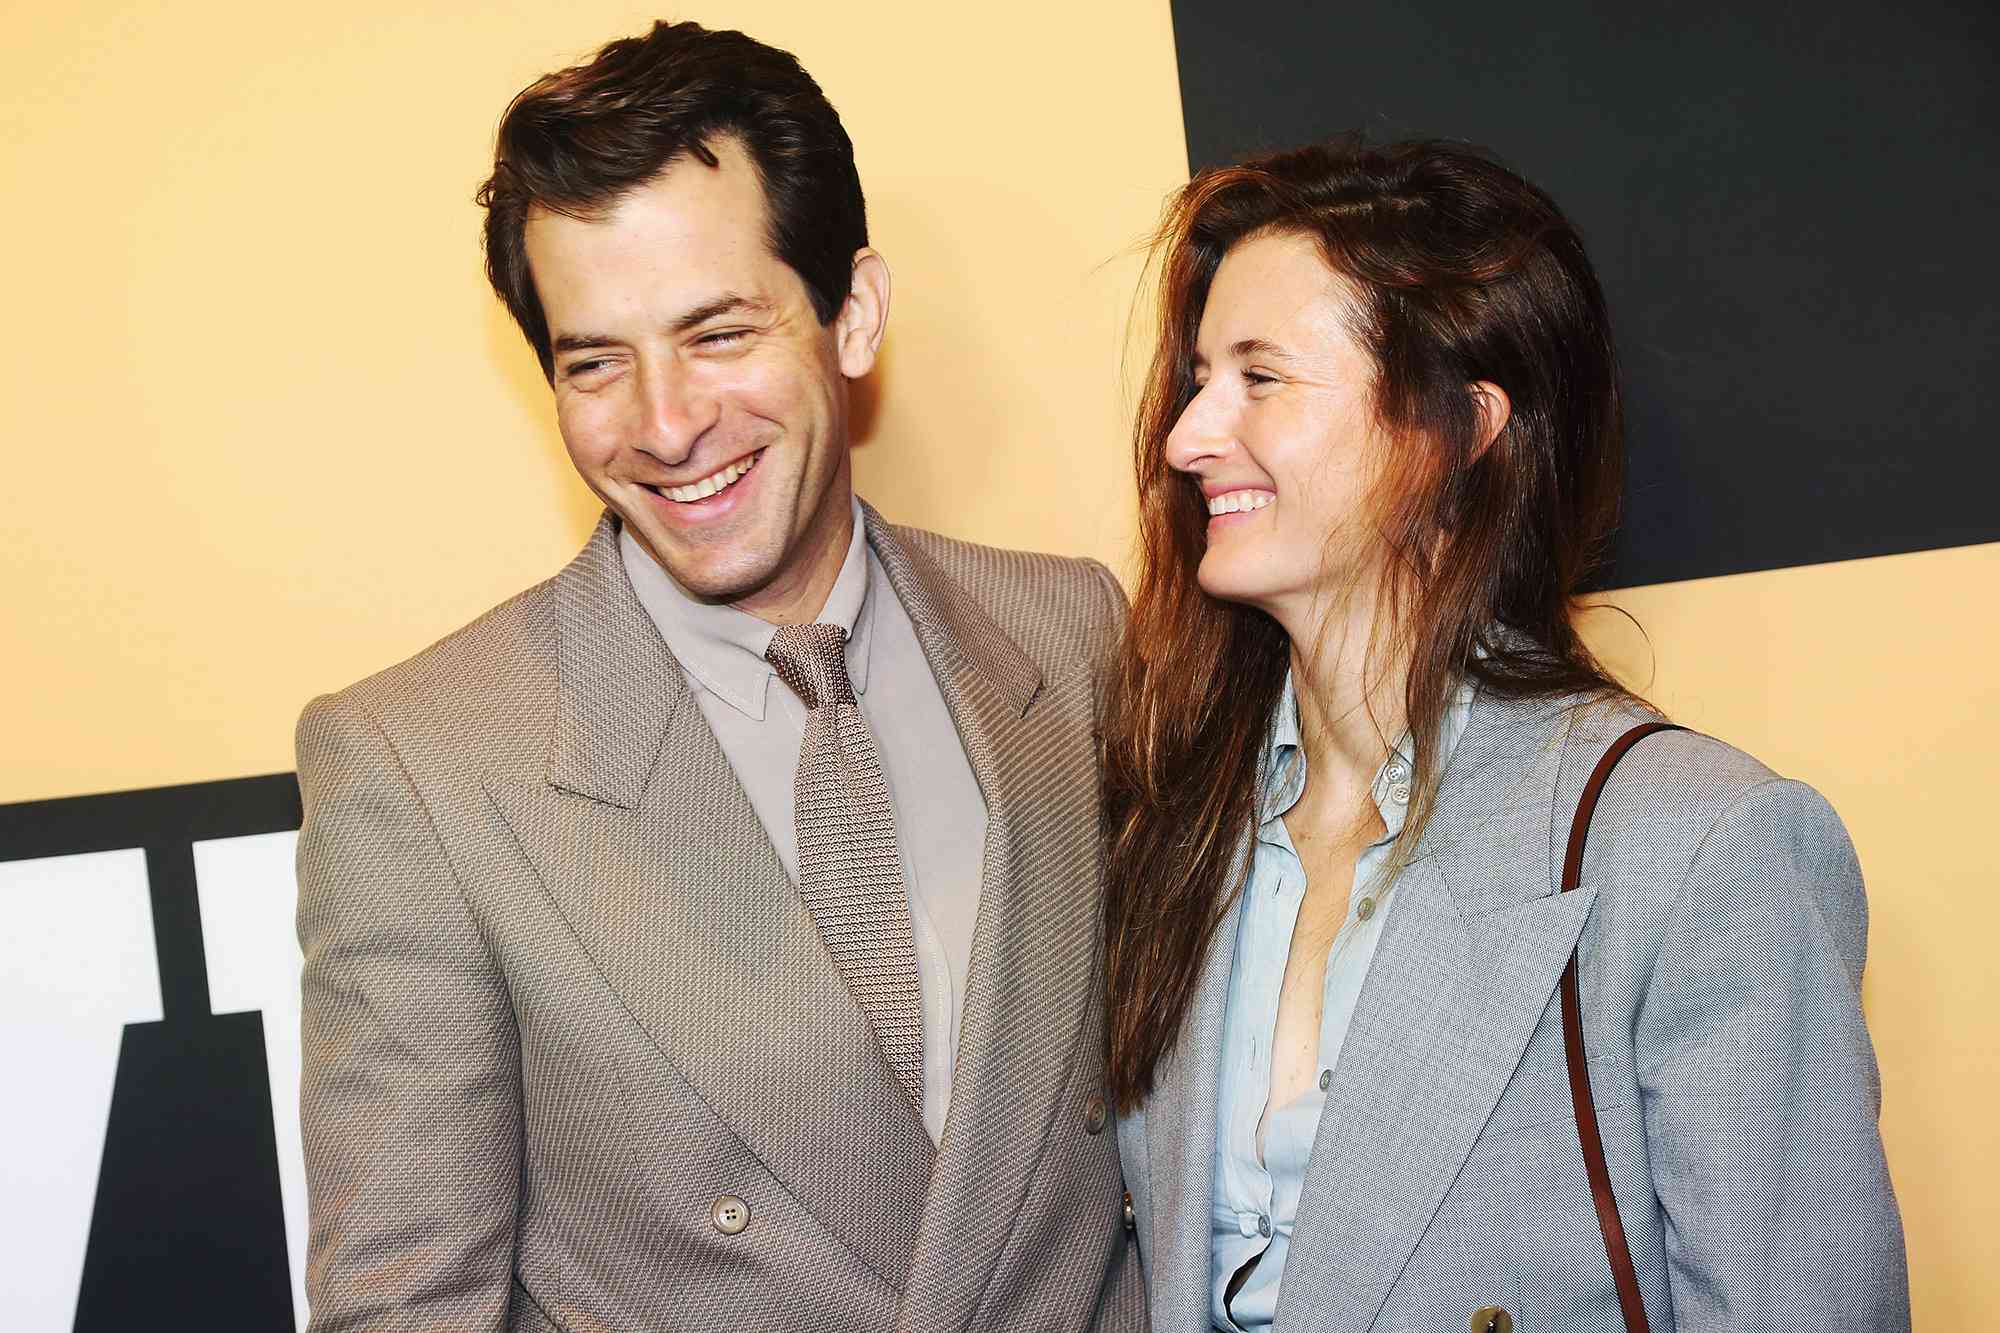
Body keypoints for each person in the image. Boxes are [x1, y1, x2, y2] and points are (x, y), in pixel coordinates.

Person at [294, 21, 1144, 1332]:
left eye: (718, 333)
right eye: (596, 362)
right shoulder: (424, 760)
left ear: (850, 315)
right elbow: (405, 1302)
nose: (668, 423)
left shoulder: (1066, 635)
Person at [1100, 137, 1909, 1332]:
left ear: (1458, 428)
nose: (1186, 436)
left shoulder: (1695, 845)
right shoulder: (1168, 824)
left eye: (1260, 377)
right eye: (1199, 376)